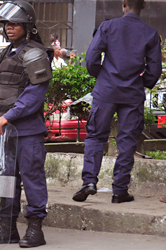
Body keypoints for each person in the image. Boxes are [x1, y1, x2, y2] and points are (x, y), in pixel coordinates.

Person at [0, 1, 53, 247]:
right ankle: (8, 229)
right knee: (6, 179)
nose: (10, 28)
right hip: (2, 130)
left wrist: (7, 116)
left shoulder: (35, 52)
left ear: (28, 26)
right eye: (7, 24)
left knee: (31, 178)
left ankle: (35, 230)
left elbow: (34, 94)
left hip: (27, 131)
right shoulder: (3, 54)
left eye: (15, 24)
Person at [73, 0, 162, 204]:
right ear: (144, 6)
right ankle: (119, 190)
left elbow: (91, 59)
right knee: (127, 141)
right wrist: (143, 82)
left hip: (106, 90)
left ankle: (89, 182)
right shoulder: (150, 33)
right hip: (132, 93)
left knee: (95, 136)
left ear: (124, 4)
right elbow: (155, 69)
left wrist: (103, 76)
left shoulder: (107, 26)